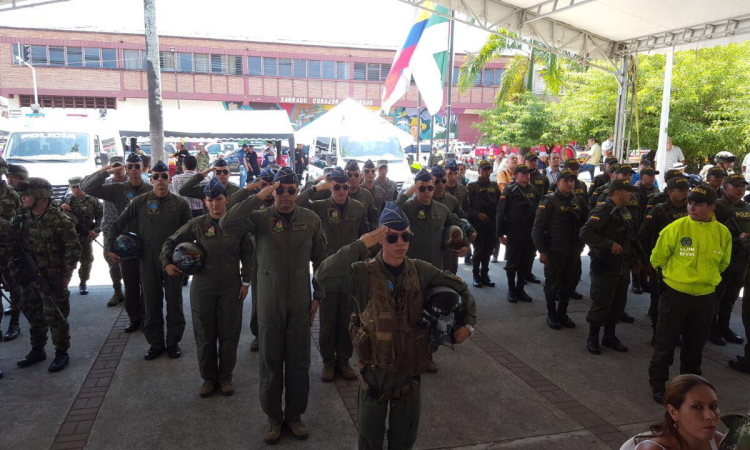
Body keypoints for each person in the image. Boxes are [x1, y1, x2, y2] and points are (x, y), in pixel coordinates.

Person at [313, 203, 477, 450]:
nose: (400, 243)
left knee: (404, 442)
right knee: (369, 443)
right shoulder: (362, 274)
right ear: (380, 239)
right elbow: (323, 276)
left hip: (409, 377)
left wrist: (468, 324)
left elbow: (461, 288)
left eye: (406, 236)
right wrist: (360, 244)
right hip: (374, 377)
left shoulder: (421, 271)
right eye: (392, 237)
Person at [220, 167, 327, 443]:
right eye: (280, 190)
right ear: (274, 192)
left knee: (298, 361)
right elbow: (227, 224)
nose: (286, 196)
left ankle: (294, 415)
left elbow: (321, 263)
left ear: (298, 191)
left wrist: (318, 295)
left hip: (301, 300)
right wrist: (259, 195)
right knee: (270, 362)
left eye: (291, 190)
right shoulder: (260, 219)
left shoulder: (311, 219)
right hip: (270, 301)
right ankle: (273, 418)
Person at [161, 177, 252, 397]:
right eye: (210, 200)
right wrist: (167, 263)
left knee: (229, 334)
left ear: (227, 199)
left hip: (231, 286)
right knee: (204, 334)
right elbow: (170, 242)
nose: (214, 204)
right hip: (202, 286)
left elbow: (249, 255)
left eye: (218, 199)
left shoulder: (237, 225)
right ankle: (209, 378)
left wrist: (246, 281)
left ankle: (225, 377)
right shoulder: (197, 224)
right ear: (204, 202)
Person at [648, 185, 731, 403]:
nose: (692, 207)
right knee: (665, 343)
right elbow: (657, 259)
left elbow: (723, 263)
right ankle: (658, 384)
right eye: (690, 203)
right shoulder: (676, 228)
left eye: (698, 204)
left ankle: (688, 385)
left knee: (694, 346)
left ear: (711, 207)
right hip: (676, 295)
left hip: (705, 297)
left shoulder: (722, 233)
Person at [107, 161, 192, 361]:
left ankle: (173, 342)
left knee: (175, 303)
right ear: (151, 179)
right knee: (151, 303)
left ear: (170, 178)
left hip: (172, 262)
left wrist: (187, 264)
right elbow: (117, 224)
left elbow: (190, 234)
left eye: (164, 176)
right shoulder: (140, 201)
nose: (160, 180)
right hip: (147, 261)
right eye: (156, 177)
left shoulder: (180, 204)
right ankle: (155, 343)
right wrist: (111, 248)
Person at [297, 167, 367, 382]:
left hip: (349, 272)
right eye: (336, 187)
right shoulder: (318, 207)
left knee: (347, 318)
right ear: (330, 188)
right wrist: (317, 187)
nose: (341, 191)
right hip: (326, 272)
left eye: (345, 187)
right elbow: (298, 203)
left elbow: (364, 236)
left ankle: (344, 361)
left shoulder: (359, 207)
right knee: (327, 320)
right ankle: (328, 362)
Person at [14, 178, 81, 373]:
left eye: (28, 194)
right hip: (28, 277)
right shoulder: (22, 218)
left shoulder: (59, 220)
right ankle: (37, 350)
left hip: (51, 278)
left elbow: (72, 248)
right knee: (33, 314)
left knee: (56, 316)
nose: (23, 198)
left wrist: (67, 274)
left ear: (41, 196)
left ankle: (61, 353)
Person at [81, 154, 152, 332]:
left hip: (147, 243)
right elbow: (87, 187)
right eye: (130, 166)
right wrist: (106, 171)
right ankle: (134, 318)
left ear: (143, 168)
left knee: (148, 284)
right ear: (126, 169)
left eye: (137, 166)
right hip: (126, 245)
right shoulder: (118, 189)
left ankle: (147, 317)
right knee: (130, 284)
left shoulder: (151, 189)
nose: (134, 169)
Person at [580, 179, 643, 356]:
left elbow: (631, 236)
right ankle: (593, 336)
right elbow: (585, 233)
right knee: (601, 302)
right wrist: (609, 244)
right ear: (616, 192)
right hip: (606, 264)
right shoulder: (603, 210)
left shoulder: (624, 210)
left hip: (622, 265)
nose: (630, 194)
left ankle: (609, 335)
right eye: (626, 191)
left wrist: (636, 258)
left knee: (618, 303)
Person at [638, 176, 689, 344]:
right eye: (681, 190)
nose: (685, 193)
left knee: (678, 302)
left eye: (686, 190)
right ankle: (657, 333)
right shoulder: (658, 210)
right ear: (670, 192)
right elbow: (644, 237)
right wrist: (646, 262)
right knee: (658, 300)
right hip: (660, 263)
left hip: (682, 263)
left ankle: (674, 333)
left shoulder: (689, 210)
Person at [532, 169, 585, 329]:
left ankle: (563, 312)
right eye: (566, 180)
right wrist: (541, 251)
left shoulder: (578, 200)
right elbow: (538, 229)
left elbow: (585, 224)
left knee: (571, 282)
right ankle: (552, 314)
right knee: (553, 284)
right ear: (558, 182)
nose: (570, 184)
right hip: (555, 250)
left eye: (572, 181)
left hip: (573, 250)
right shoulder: (549, 201)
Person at [622, 375, 723, 450]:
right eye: (697, 407)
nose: (710, 415)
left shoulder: (721, 443)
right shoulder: (653, 449)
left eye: (713, 406)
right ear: (673, 412)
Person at [396, 168, 469, 271]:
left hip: (436, 264)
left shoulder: (442, 209)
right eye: (422, 188)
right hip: (413, 265)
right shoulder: (407, 208)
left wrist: (465, 244)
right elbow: (389, 214)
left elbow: (457, 224)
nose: (426, 192)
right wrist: (407, 194)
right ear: (415, 189)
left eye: (430, 188)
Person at [710, 173, 750, 346]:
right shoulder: (718, 206)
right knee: (716, 297)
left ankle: (724, 327)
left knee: (731, 297)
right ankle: (712, 329)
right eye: (736, 185)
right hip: (722, 259)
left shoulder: (746, 207)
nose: (740, 189)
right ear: (726, 187)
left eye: (743, 185)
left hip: (741, 260)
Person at [497, 164, 541, 302]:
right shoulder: (509, 191)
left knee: (526, 261)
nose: (527, 175)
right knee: (512, 262)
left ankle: (520, 289)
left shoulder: (533, 189)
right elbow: (500, 214)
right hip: (514, 232)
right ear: (515, 176)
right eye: (523, 173)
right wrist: (500, 234)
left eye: (528, 173)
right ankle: (511, 290)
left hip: (529, 232)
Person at [61, 177, 102, 296]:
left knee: (86, 260)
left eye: (78, 186)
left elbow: (101, 217)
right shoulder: (66, 201)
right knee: (66, 262)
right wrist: (61, 208)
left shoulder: (92, 200)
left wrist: (96, 230)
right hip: (68, 237)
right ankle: (63, 285)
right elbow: (53, 215)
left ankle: (83, 282)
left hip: (85, 236)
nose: (76, 189)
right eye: (73, 187)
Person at [432, 164, 475, 274]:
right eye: (437, 181)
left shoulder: (451, 200)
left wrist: (466, 244)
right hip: (430, 246)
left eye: (443, 181)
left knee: (450, 275)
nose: (440, 184)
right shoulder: (425, 200)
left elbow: (462, 221)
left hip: (449, 245)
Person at [98, 156, 127, 307]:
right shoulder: (106, 183)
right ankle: (117, 292)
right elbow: (87, 185)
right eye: (114, 167)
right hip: (109, 228)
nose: (117, 170)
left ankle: (132, 290)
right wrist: (105, 171)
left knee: (129, 261)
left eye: (119, 166)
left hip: (127, 227)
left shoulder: (132, 182)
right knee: (111, 260)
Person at [467, 160, 500, 288]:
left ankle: (485, 275)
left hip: (491, 223)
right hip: (478, 224)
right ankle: (476, 276)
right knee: (478, 251)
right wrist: (478, 214)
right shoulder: (472, 187)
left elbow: (499, 205)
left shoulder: (495, 186)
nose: (486, 172)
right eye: (484, 169)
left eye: (488, 169)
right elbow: (466, 208)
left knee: (488, 251)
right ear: (479, 171)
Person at [0, 157, 21, 341]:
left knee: (13, 286)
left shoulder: (10, 195)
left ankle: (15, 323)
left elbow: (9, 226)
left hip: (6, 250)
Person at [344, 160, 378, 231]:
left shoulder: (367, 195)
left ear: (360, 176)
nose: (353, 178)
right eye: (349, 175)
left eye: (356, 175)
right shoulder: (340, 195)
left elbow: (372, 219)